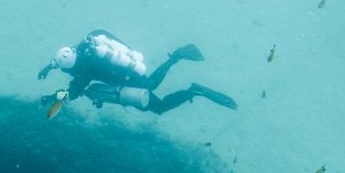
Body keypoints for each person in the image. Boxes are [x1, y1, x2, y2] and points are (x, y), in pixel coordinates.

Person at [38, 30, 237, 114]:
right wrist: (50, 66)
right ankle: (176, 58)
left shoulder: (83, 72)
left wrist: (51, 97)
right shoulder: (84, 47)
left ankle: (192, 88)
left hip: (128, 77)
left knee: (158, 105)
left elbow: (71, 94)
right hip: (125, 69)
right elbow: (63, 59)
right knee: (152, 89)